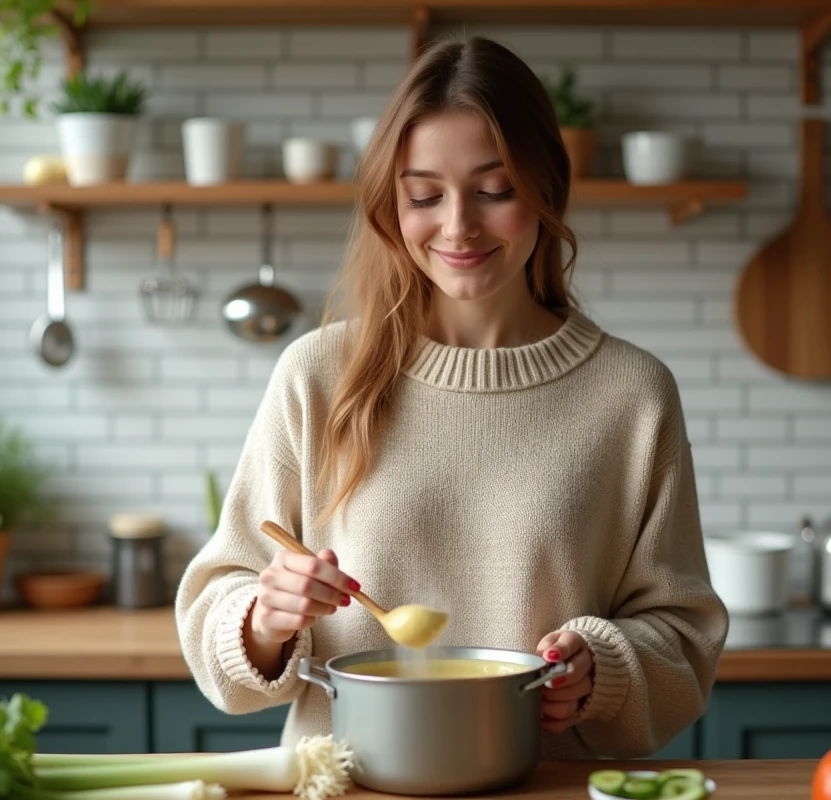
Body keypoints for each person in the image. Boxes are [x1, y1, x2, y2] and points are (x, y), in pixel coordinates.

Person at [175, 35, 729, 760]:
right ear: (391, 205)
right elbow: (218, 619)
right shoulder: (317, 376)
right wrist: (263, 618)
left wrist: (604, 667)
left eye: (495, 191)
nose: (459, 225)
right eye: (425, 196)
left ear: (546, 190)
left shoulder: (632, 395)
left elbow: (683, 638)